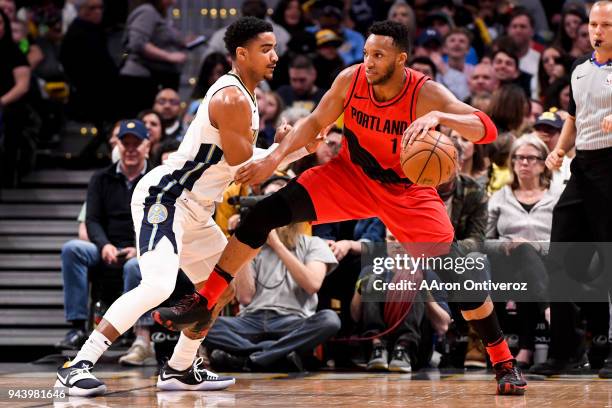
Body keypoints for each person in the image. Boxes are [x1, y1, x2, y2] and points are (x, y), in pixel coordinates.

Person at [155, 20, 528, 395]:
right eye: (366, 53)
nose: (368, 61)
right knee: (261, 214)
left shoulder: (424, 92)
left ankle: (504, 363)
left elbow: (487, 129)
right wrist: (277, 159)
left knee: (457, 275)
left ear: (401, 60)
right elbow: (315, 122)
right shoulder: (351, 80)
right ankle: (203, 301)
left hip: (406, 193)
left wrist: (441, 117)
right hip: (349, 175)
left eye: (378, 55)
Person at [54, 17, 312, 396]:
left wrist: (293, 147)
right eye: (265, 49)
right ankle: (78, 364)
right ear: (242, 54)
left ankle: (178, 367)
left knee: (220, 287)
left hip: (197, 208)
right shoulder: (231, 97)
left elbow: (244, 161)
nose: (275, 56)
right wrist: (288, 148)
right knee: (158, 284)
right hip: (168, 196)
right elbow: (245, 170)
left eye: (274, 48)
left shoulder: (249, 96)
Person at [531, 1, 612, 379]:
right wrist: (561, 149)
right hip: (584, 169)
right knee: (560, 260)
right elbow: (575, 118)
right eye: (594, 24)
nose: (597, 31)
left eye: (606, 25)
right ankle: (564, 349)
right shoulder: (580, 68)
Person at [206, 176, 340, 372]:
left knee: (329, 320)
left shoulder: (314, 244)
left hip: (292, 321)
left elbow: (312, 284)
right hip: (251, 321)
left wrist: (277, 245)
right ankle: (269, 355)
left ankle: (246, 359)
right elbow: (245, 296)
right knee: (202, 323)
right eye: (270, 201)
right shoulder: (252, 246)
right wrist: (242, 239)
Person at [57, 120, 150, 351]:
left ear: (146, 146)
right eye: (125, 143)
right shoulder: (100, 178)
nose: (130, 149)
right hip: (105, 248)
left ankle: (134, 333)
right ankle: (78, 327)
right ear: (117, 145)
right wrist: (103, 245)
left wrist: (139, 249)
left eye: (135, 144)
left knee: (134, 267)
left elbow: (161, 221)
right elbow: (92, 219)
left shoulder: (156, 178)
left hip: (141, 251)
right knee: (73, 249)